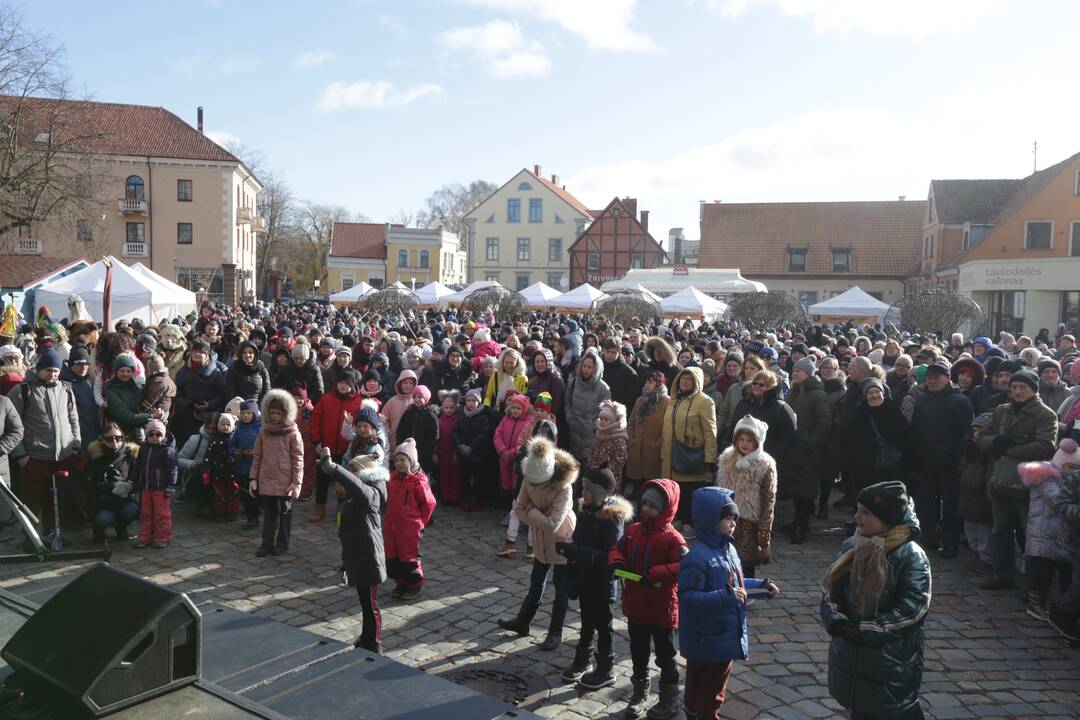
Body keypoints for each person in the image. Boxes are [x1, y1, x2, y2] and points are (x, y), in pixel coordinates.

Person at [821, 481, 931, 720]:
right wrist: (837, 621)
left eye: (866, 512)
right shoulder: (853, 545)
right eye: (858, 509)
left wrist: (868, 631)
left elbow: (913, 608)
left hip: (890, 659)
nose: (857, 516)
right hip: (850, 653)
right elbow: (830, 590)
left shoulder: (910, 556)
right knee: (859, 706)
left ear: (887, 518)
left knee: (893, 709)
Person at [679, 487, 781, 720]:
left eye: (734, 517)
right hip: (709, 637)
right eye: (727, 517)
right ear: (709, 520)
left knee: (703, 683)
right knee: (709, 689)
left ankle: (694, 713)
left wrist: (762, 584)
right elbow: (687, 597)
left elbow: (737, 582)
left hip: (719, 635)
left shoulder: (729, 549)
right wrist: (726, 597)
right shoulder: (697, 557)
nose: (733, 522)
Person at [608, 479, 685, 719]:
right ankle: (639, 693)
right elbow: (616, 549)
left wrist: (657, 574)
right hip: (636, 605)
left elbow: (684, 566)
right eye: (644, 504)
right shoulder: (633, 531)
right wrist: (616, 561)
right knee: (638, 651)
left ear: (665, 509)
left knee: (666, 655)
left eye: (653, 506)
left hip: (661, 608)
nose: (646, 509)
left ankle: (669, 697)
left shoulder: (673, 539)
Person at [976, 369, 1058, 588]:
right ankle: (1002, 575)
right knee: (1000, 532)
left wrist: (1009, 448)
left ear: (1033, 390)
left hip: (1027, 485)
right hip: (999, 480)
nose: (1018, 391)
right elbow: (981, 437)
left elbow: (1046, 446)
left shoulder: (1045, 414)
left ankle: (1034, 584)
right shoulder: (1001, 410)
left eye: (1023, 387)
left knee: (1030, 536)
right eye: (1014, 387)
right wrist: (996, 443)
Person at [555, 467, 633, 689]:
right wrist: (570, 554)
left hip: (602, 583)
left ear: (599, 492)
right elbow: (579, 541)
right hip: (585, 578)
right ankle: (583, 659)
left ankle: (606, 667)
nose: (583, 493)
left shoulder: (611, 519)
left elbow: (609, 555)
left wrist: (575, 552)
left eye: (587, 489)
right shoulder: (585, 512)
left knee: (603, 625)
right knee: (586, 621)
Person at [497, 436, 577, 650]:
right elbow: (518, 509)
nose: (532, 485)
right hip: (540, 539)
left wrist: (531, 510)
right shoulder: (529, 476)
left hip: (562, 540)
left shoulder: (564, 487)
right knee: (536, 581)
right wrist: (534, 511)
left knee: (560, 587)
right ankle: (523, 622)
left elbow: (553, 524)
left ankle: (555, 632)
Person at [320, 451, 388, 653]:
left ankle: (375, 642)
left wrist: (334, 469)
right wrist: (345, 564)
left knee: (371, 605)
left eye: (353, 472)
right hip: (357, 557)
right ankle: (366, 637)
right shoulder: (354, 498)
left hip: (369, 558)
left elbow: (358, 487)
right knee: (364, 604)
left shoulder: (371, 494)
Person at [7, 347, 82, 530]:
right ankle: (30, 539)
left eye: (56, 371)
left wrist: (76, 444)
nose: (53, 374)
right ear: (39, 368)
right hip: (34, 458)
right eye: (49, 370)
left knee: (55, 501)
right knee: (31, 501)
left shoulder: (65, 389)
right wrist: (21, 454)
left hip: (62, 457)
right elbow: (9, 424)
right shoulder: (22, 391)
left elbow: (73, 419)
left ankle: (53, 534)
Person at [907, 358, 974, 558]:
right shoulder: (922, 399)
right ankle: (929, 538)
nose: (932, 381)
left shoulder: (960, 401)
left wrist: (957, 459)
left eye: (936, 378)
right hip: (926, 460)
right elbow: (916, 430)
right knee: (925, 503)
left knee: (950, 506)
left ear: (947, 378)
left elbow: (965, 434)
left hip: (949, 463)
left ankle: (950, 542)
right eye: (929, 378)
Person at [1018, 440, 1080, 621]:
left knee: (1067, 576)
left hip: (1065, 536)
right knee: (1040, 576)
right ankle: (1035, 605)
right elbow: (1055, 501)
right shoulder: (1044, 477)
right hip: (1043, 536)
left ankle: (1063, 609)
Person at [716, 415, 777, 577]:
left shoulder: (764, 465)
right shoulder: (726, 459)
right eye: (741, 439)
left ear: (757, 442)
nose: (744, 444)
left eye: (749, 441)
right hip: (727, 517)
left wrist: (764, 529)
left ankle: (747, 588)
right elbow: (719, 488)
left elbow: (768, 499)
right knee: (726, 556)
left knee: (746, 558)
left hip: (749, 521)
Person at [660, 367, 718, 530]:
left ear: (697, 382)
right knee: (675, 489)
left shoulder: (705, 401)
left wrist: (710, 458)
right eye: (683, 378)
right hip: (672, 454)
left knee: (690, 491)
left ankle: (690, 523)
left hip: (692, 455)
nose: (685, 382)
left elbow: (710, 432)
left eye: (690, 379)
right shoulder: (674, 399)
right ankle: (677, 518)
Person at [251, 390, 304, 557]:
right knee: (269, 515)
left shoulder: (293, 433)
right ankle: (266, 543)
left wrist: (296, 483)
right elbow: (257, 456)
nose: (274, 416)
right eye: (272, 413)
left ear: (285, 414)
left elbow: (298, 460)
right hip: (267, 480)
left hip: (286, 483)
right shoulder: (264, 431)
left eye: (278, 413)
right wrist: (253, 477)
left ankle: (282, 543)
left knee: (286, 513)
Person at [384, 438, 436, 600]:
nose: (399, 463)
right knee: (393, 555)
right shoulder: (392, 479)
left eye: (403, 460)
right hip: (392, 526)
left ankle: (413, 585)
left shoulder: (417, 483)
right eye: (397, 460)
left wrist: (420, 522)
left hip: (409, 528)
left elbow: (429, 503)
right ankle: (400, 583)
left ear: (411, 461)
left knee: (409, 557)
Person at [784, 358, 830, 543]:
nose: (795, 374)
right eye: (794, 371)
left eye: (799, 371)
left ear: (809, 374)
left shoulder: (817, 394)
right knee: (796, 487)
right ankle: (797, 520)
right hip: (794, 448)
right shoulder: (795, 391)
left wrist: (812, 443)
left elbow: (824, 421)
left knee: (805, 489)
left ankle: (802, 525)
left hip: (807, 449)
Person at [310, 369, 363, 522]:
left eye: (347, 384)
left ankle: (342, 509)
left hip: (348, 450)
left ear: (352, 385)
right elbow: (315, 419)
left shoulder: (359, 402)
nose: (343, 386)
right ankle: (320, 507)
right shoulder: (326, 399)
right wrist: (316, 440)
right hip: (326, 447)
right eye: (341, 383)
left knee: (344, 481)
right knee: (322, 479)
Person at [87, 422, 139, 541]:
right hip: (104, 503)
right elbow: (88, 484)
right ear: (102, 440)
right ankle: (98, 530)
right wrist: (111, 486)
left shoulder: (130, 455)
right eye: (109, 439)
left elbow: (139, 479)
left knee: (133, 510)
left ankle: (122, 527)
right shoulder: (96, 458)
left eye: (118, 438)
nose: (114, 442)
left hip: (124, 500)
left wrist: (128, 486)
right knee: (103, 519)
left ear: (123, 438)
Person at [132, 419, 177, 549]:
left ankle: (162, 536)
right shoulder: (144, 448)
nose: (154, 437)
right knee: (146, 513)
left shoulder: (167, 450)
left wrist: (171, 485)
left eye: (158, 434)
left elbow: (173, 469)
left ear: (163, 436)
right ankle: (145, 535)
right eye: (151, 434)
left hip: (161, 488)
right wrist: (133, 480)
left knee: (161, 514)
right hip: (146, 486)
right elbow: (138, 465)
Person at [626, 371, 669, 500]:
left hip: (653, 450)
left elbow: (667, 427)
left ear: (658, 383)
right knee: (636, 485)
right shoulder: (640, 400)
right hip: (637, 448)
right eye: (646, 381)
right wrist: (632, 439)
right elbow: (632, 421)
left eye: (650, 382)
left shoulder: (666, 401)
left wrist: (657, 443)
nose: (647, 384)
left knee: (650, 486)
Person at [565, 348, 611, 463]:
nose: (586, 369)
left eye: (589, 367)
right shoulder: (574, 382)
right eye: (584, 366)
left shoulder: (603, 389)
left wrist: (593, 426)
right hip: (573, 431)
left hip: (591, 436)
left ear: (596, 369)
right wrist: (569, 417)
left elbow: (605, 412)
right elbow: (567, 402)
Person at [454, 388, 496, 511]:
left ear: (479, 402)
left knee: (479, 480)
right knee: (464, 479)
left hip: (478, 454)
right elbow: (455, 432)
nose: (471, 403)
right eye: (469, 400)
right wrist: (460, 445)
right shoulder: (461, 416)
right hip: (463, 454)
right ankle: (465, 500)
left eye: (474, 400)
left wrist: (471, 447)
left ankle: (478, 501)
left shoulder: (483, 417)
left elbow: (484, 434)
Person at [395, 384, 439, 481]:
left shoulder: (431, 416)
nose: (417, 399)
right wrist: (401, 447)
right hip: (407, 454)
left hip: (424, 456)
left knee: (422, 480)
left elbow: (434, 437)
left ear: (426, 398)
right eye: (414, 397)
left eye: (420, 397)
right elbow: (400, 431)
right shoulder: (408, 413)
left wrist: (424, 451)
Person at [230, 400, 262, 530]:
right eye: (243, 413)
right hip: (242, 467)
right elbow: (232, 445)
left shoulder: (261, 428)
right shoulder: (238, 429)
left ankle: (267, 514)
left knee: (259, 494)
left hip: (258, 468)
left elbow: (267, 447)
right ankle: (252, 518)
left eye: (249, 413)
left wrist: (255, 453)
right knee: (246, 495)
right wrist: (235, 452)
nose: (246, 416)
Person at [587, 399, 628, 485]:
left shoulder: (619, 439)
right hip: (595, 475)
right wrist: (591, 466)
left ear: (614, 421)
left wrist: (604, 471)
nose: (602, 422)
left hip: (610, 479)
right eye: (601, 419)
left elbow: (620, 460)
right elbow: (593, 452)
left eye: (606, 419)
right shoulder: (600, 435)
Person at [484, 347, 529, 414]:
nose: (508, 365)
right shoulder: (495, 375)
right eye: (506, 362)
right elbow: (488, 395)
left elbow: (523, 398)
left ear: (517, 363)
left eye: (512, 363)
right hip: (497, 410)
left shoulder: (523, 378)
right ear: (502, 362)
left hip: (515, 412)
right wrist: (487, 406)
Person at [435, 392, 461, 505]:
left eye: (452, 407)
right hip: (442, 452)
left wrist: (457, 452)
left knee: (455, 476)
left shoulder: (458, 420)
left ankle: (454, 496)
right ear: (442, 408)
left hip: (454, 452)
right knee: (444, 476)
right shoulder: (439, 421)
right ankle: (445, 496)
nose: (449, 410)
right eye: (446, 407)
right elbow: (435, 437)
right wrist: (435, 452)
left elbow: (460, 437)